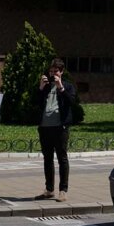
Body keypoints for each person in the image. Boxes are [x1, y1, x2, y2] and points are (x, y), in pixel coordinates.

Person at [34, 58, 76, 203]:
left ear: (61, 72)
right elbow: (35, 104)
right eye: (51, 72)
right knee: (47, 159)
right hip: (45, 128)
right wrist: (40, 88)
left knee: (62, 158)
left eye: (55, 71)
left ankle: (63, 191)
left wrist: (61, 88)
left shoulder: (68, 86)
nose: (53, 74)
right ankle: (49, 189)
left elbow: (71, 102)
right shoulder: (45, 87)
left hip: (60, 128)